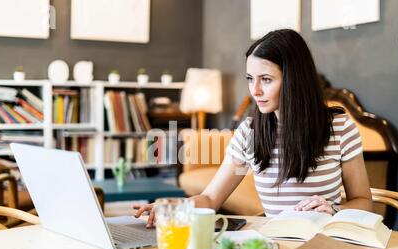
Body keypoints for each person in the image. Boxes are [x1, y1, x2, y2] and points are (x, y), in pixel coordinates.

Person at [134, 29, 372, 228]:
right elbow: (211, 198)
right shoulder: (250, 133)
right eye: (250, 78)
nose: (254, 90)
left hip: (326, 242)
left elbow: (363, 201)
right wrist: (171, 207)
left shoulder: (339, 128)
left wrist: (335, 208)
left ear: (294, 80)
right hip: (277, 246)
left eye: (266, 79)